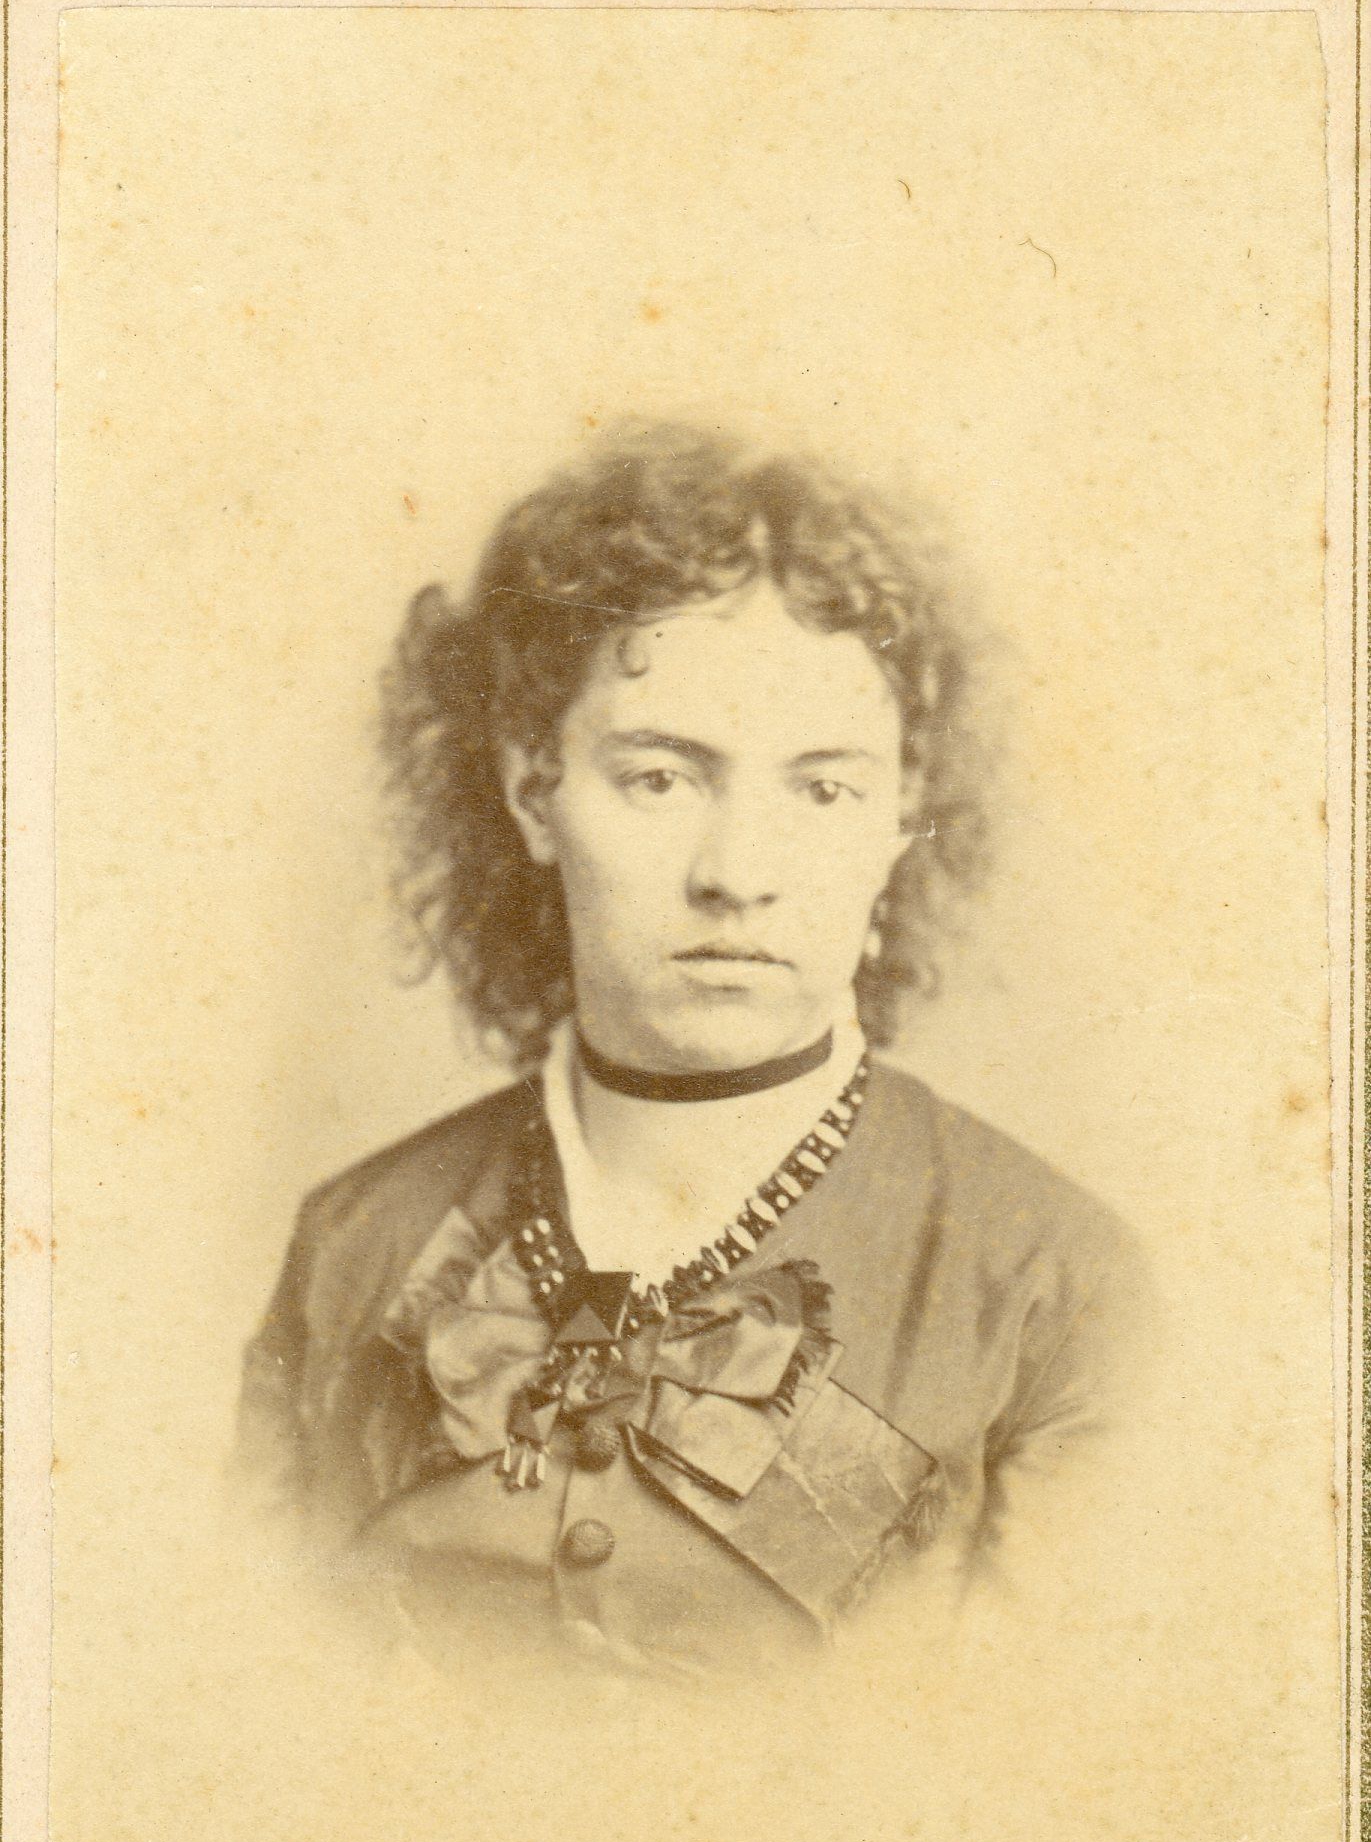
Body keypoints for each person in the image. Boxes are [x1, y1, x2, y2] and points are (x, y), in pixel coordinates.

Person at [237, 422, 1150, 1682]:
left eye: (821, 788)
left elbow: (1046, 1758)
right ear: (533, 789)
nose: (737, 874)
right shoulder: (352, 1247)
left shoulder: (1055, 1285)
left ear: (899, 817)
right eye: (662, 778)